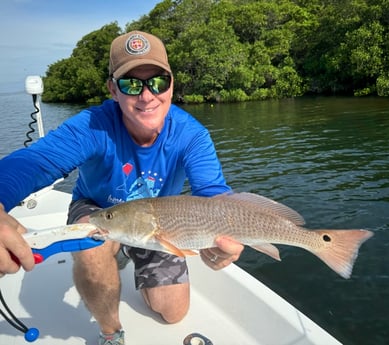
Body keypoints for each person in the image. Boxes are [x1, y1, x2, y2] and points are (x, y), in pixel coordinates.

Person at [0, 31, 244, 345]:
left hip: (162, 220)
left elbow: (213, 193)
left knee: (172, 311)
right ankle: (111, 332)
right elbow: (35, 162)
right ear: (113, 90)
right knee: (92, 247)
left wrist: (223, 238)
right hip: (98, 209)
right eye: (131, 84)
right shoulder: (92, 126)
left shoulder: (191, 135)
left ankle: (131, 256)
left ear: (172, 83)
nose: (147, 96)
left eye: (158, 81)